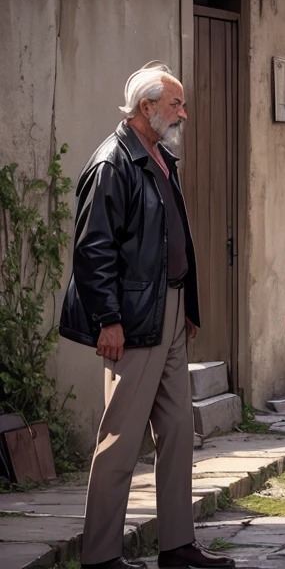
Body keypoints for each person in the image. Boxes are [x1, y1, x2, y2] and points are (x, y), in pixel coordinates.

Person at [60, 64, 233, 569]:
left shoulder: (160, 155)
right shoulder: (113, 163)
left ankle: (177, 545)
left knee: (179, 429)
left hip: (170, 311)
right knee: (120, 439)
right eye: (175, 104)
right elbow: (93, 250)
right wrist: (108, 319)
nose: (183, 112)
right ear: (147, 108)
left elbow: (171, 239)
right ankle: (100, 556)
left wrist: (187, 309)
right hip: (132, 319)